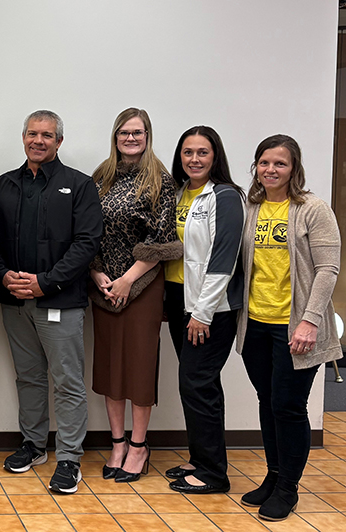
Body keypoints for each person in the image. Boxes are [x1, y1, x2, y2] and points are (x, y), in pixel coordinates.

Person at [0, 110, 103, 495]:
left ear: (59, 141)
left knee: (68, 381)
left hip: (61, 301)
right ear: (23, 137)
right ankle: (34, 445)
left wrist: (45, 283)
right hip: (13, 300)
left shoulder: (80, 185)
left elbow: (87, 244)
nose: (39, 141)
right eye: (33, 134)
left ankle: (70, 458)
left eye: (48, 135)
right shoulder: (4, 185)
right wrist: (3, 274)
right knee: (29, 377)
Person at [234, 135, 340, 521]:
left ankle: (288, 489)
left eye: (279, 163)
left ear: (294, 168)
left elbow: (328, 269)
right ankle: (273, 475)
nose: (271, 170)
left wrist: (310, 321)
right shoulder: (252, 207)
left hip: (296, 328)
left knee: (289, 407)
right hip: (257, 324)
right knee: (268, 402)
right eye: (264, 163)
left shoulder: (312, 208)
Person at [87, 108, 179, 483]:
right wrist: (96, 273)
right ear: (115, 136)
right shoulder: (100, 178)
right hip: (103, 287)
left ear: (147, 135)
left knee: (139, 368)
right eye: (123, 132)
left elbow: (162, 239)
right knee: (110, 367)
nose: (130, 138)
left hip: (142, 287)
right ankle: (118, 443)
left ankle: (139, 447)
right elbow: (87, 229)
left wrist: (127, 279)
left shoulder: (161, 180)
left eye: (137, 132)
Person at [164, 126, 245, 494]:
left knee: (198, 384)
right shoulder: (181, 193)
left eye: (202, 153)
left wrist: (202, 312)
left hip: (210, 310)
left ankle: (214, 473)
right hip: (180, 303)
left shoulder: (225, 197)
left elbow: (223, 259)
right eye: (188, 153)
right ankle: (200, 459)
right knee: (194, 385)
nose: (194, 159)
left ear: (216, 157)